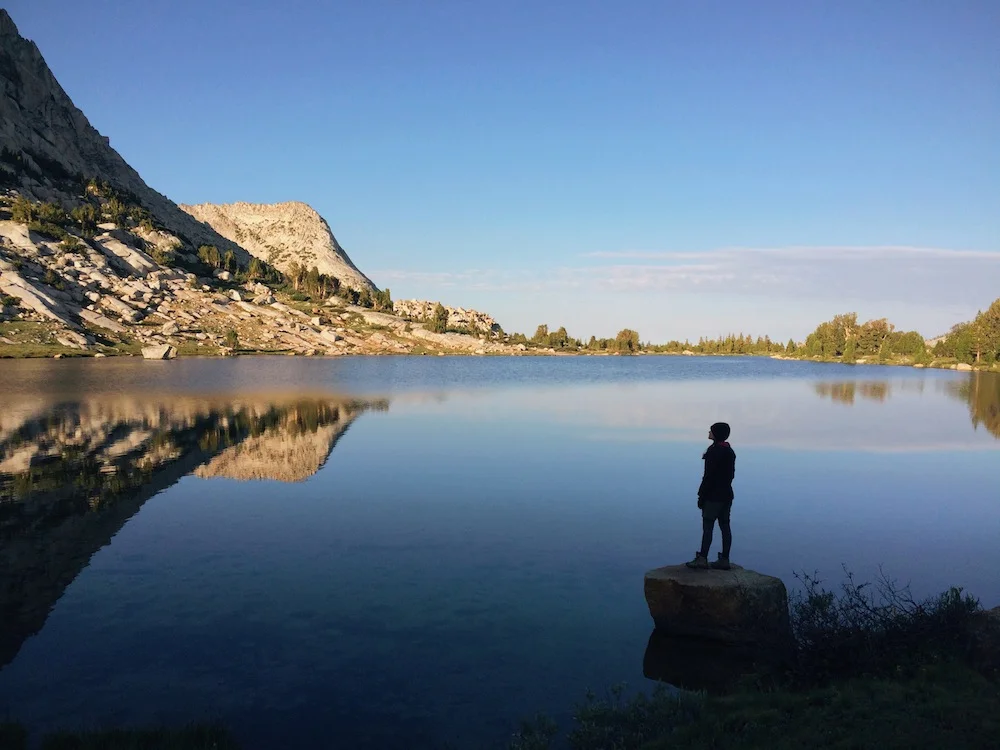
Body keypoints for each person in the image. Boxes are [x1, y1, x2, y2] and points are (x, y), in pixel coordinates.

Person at [686, 422, 736, 570]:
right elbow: (730, 475)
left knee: (708, 527)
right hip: (727, 495)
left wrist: (701, 495)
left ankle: (702, 558)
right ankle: (725, 559)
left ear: (717, 434)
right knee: (725, 526)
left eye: (711, 430)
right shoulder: (729, 451)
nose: (709, 432)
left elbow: (708, 476)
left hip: (713, 496)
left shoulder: (714, 452)